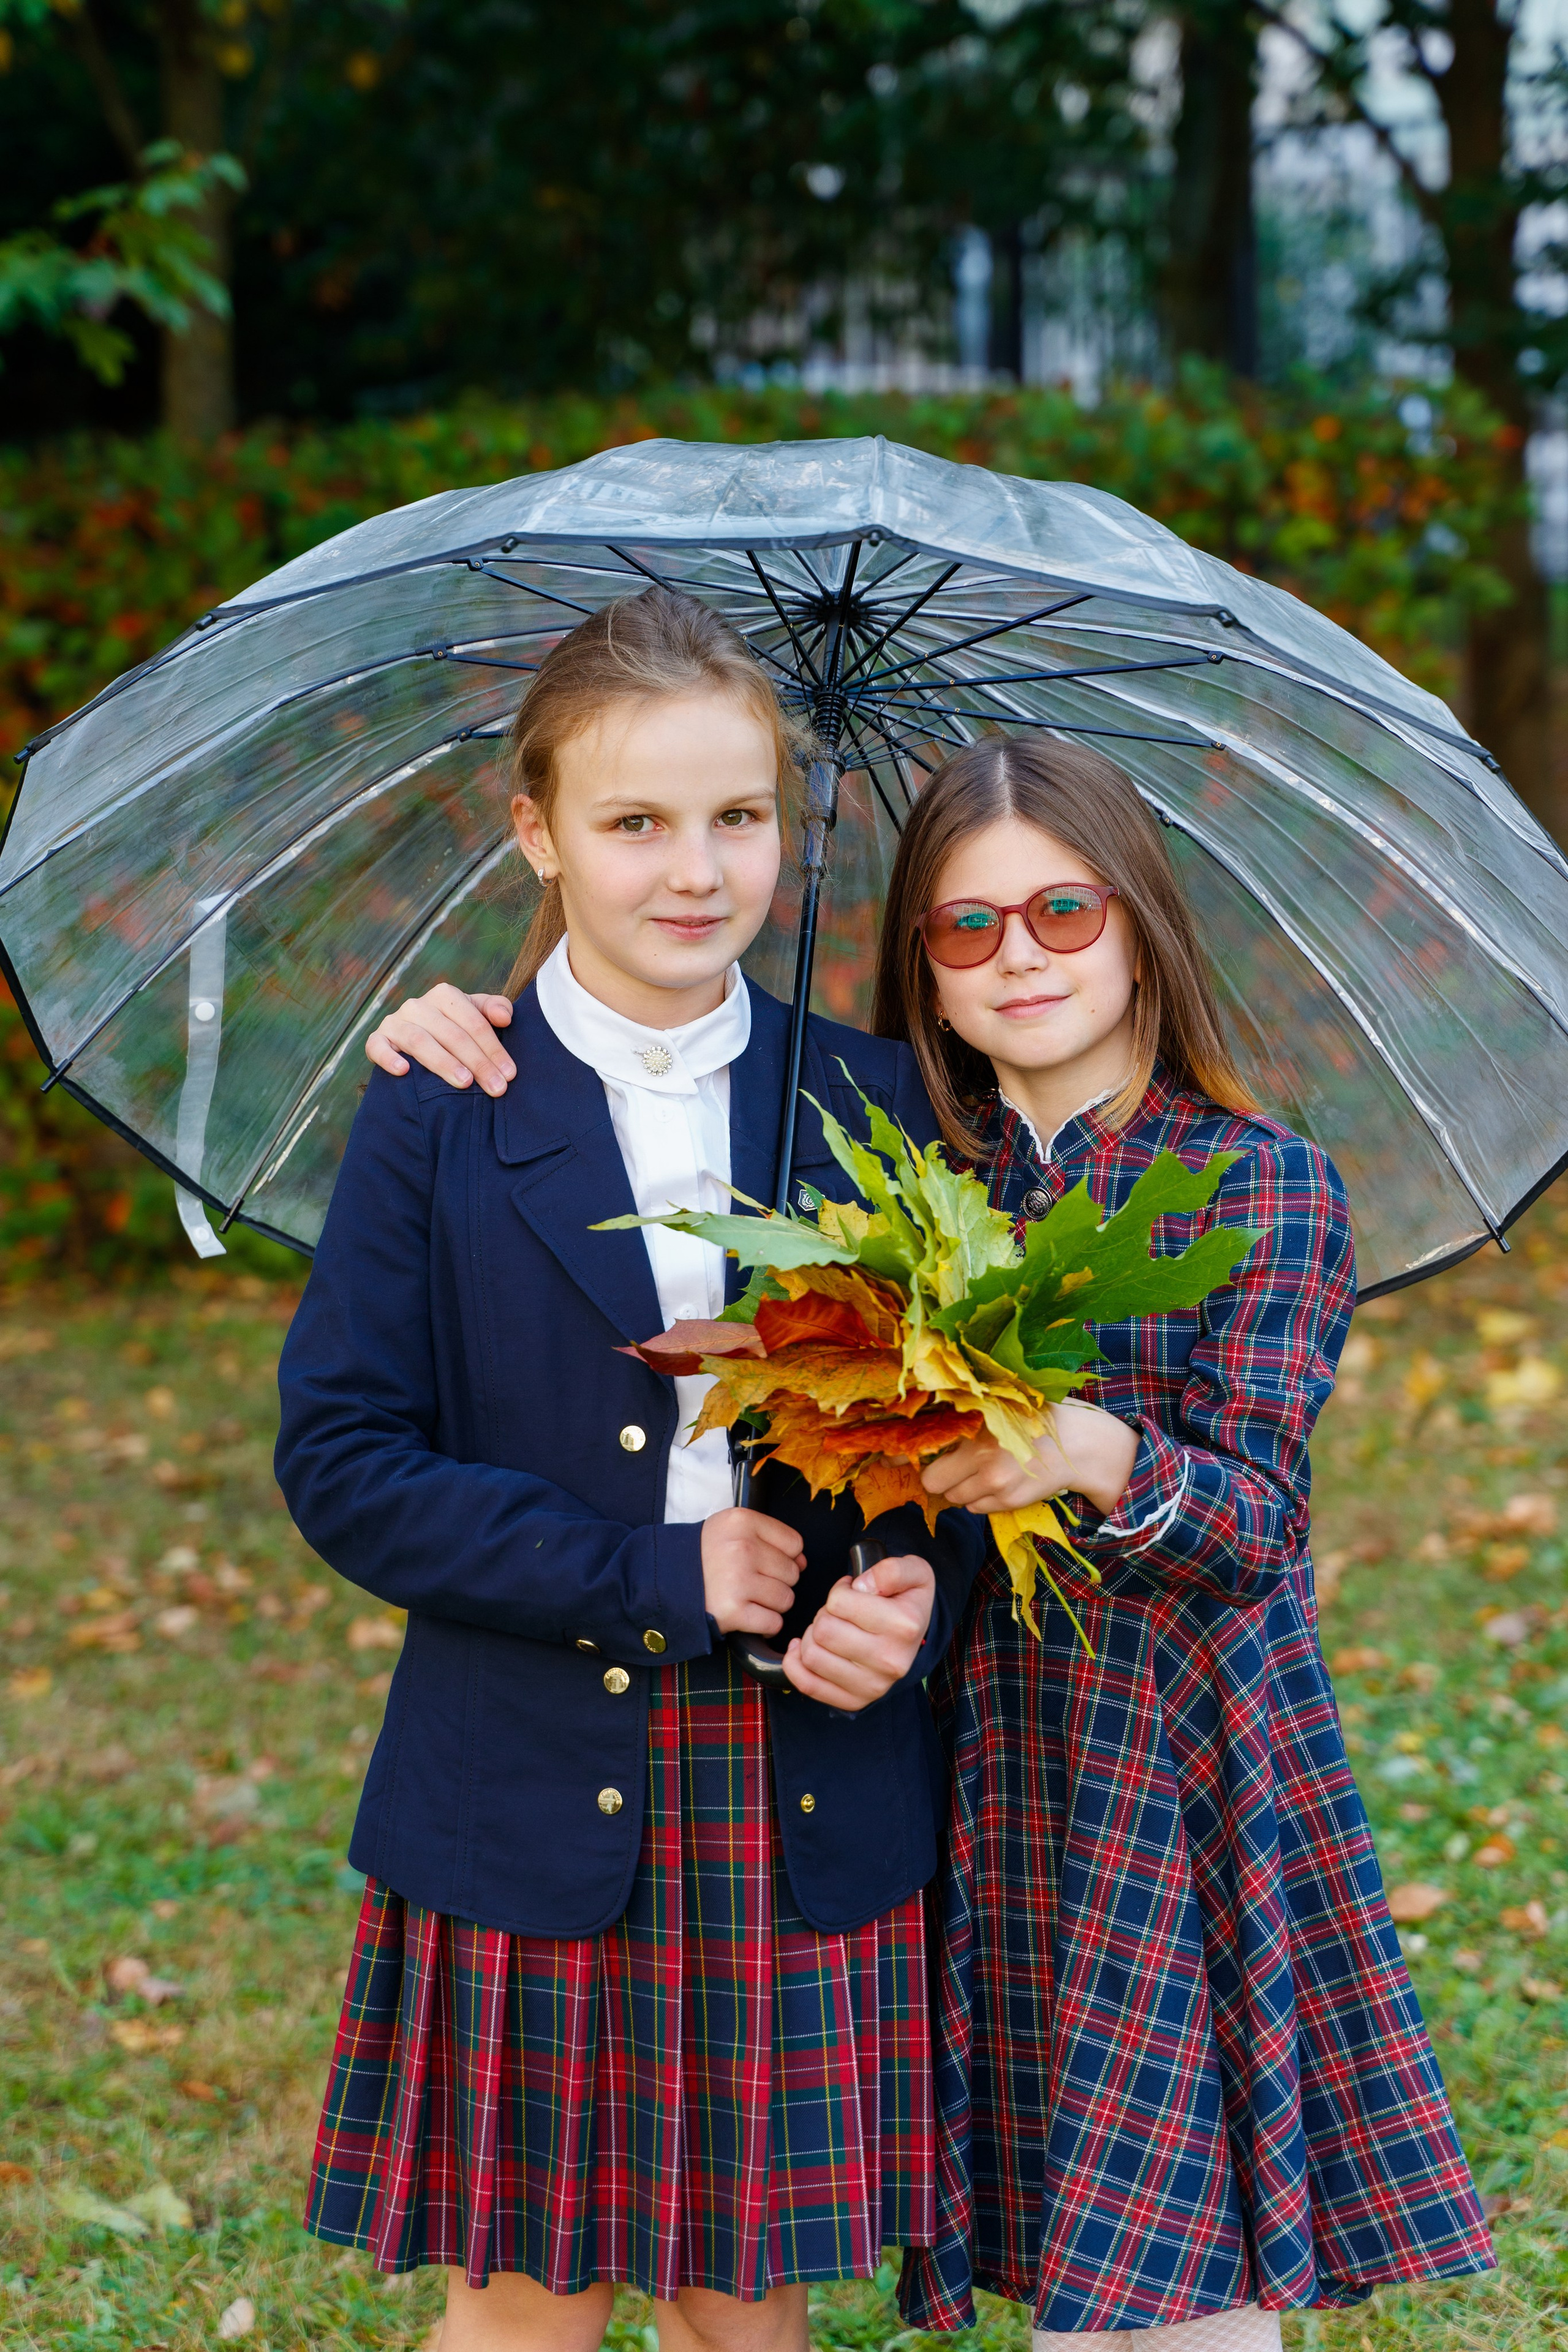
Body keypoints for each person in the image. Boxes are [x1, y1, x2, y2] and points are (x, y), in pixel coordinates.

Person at [366, 731, 1494, 2346]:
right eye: (968, 927)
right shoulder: (892, 1176)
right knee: (1025, 2207)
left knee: (1161, 2270)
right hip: (944, 1771)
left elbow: (1260, 1522)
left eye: (1063, 912)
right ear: (925, 966)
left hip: (1157, 1772)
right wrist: (469, 1019)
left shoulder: (1257, 1188)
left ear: (1142, 921)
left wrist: (1094, 1453)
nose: (1018, 956)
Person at [278, 586, 983, 2352]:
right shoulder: (444, 1101)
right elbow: (345, 1459)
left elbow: (956, 1438)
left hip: (795, 1776)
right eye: (636, 823)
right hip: (526, 1772)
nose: (696, 869)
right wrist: (653, 1573)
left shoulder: (883, 1103)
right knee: (527, 2305)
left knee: (746, 2309)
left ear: (788, 826)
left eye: (738, 816)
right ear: (539, 834)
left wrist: (901, 1594)